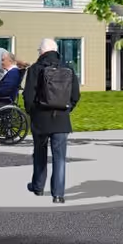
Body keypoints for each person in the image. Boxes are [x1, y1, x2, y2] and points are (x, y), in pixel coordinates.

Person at [24, 38, 80, 203]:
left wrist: (32, 112)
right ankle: (58, 195)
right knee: (60, 158)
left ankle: (38, 187)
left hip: (41, 118)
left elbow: (28, 96)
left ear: (42, 51)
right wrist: (66, 109)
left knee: (40, 154)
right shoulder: (68, 68)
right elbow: (75, 95)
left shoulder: (35, 69)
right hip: (62, 120)